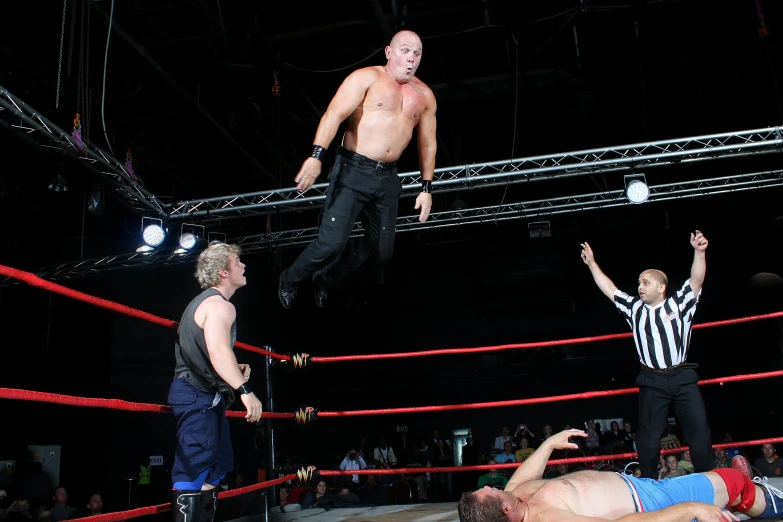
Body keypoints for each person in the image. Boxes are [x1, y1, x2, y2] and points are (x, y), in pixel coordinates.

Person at [278, 30, 437, 309]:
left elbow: (427, 144)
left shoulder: (424, 95)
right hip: (353, 170)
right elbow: (334, 114)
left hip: (387, 176)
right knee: (330, 245)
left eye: (417, 53)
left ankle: (325, 280)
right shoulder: (366, 78)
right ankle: (289, 279)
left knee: (381, 254)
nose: (411, 58)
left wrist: (426, 188)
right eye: (405, 50)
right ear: (389, 52)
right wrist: (316, 156)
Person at [580, 231, 712, 479]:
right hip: (652, 379)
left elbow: (696, 279)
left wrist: (699, 251)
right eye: (639, 283)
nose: (640, 287)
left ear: (661, 287)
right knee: (649, 436)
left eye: (646, 283)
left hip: (682, 375)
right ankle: (650, 482)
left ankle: (708, 479)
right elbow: (610, 289)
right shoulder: (634, 309)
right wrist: (592, 264)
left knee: (698, 429)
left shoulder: (679, 303)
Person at [458, 429, 783, 521]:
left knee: (727, 485)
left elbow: (520, 479)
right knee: (732, 481)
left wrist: (548, 444)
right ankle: (768, 505)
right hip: (649, 503)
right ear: (505, 509)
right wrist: (688, 510)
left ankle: (741, 504)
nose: (493, 484)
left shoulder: (518, 496)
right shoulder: (545, 518)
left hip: (639, 485)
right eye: (493, 491)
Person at [168, 242, 263, 522]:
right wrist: (245, 390)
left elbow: (212, 350)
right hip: (197, 395)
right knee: (193, 468)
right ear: (223, 271)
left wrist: (233, 367)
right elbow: (219, 352)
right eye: (237, 262)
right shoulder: (220, 306)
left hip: (205, 396)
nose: (243, 266)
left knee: (215, 468)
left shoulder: (205, 302)